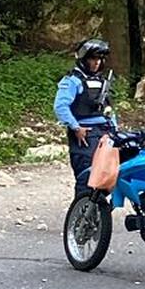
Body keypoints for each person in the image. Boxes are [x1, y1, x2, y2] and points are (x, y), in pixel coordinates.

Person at [53, 38, 115, 197]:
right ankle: (80, 218)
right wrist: (76, 127)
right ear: (83, 59)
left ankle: (99, 217)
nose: (97, 63)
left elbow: (108, 109)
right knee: (86, 179)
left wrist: (114, 129)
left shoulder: (102, 81)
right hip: (84, 134)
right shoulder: (73, 81)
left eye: (100, 59)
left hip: (104, 133)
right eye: (93, 58)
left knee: (106, 180)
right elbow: (60, 107)